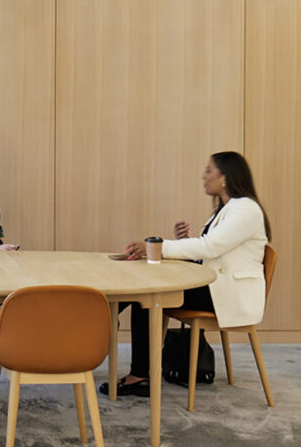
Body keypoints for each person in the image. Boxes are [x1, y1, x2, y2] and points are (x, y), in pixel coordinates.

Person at [102, 151, 270, 398]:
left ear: (225, 178)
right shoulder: (225, 210)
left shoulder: (245, 209)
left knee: (146, 297)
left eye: (209, 170)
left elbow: (211, 247)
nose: (204, 176)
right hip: (215, 286)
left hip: (227, 294)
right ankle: (105, 319)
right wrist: (184, 241)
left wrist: (158, 248)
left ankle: (107, 326)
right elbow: (211, 250)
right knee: (143, 295)